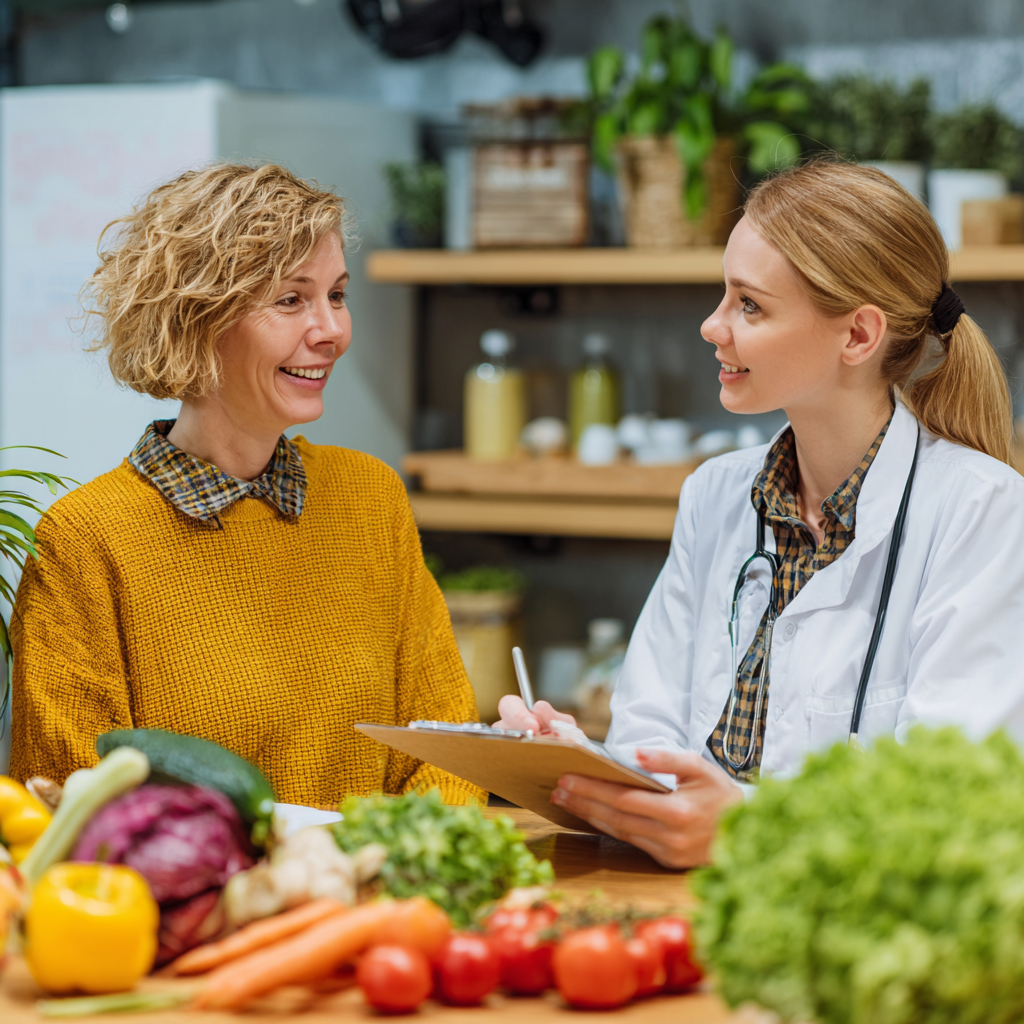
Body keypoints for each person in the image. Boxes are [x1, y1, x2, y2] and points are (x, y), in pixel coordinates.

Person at [497, 159, 1024, 867]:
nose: (714, 326)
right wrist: (584, 770)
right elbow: (648, 731)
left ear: (858, 337)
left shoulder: (981, 511)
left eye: (750, 305)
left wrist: (744, 825)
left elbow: (954, 800)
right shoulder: (716, 493)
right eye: (724, 296)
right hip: (682, 906)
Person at [10, 163, 484, 808]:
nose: (332, 331)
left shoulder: (371, 499)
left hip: (379, 900)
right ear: (197, 320)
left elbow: (446, 747)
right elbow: (69, 807)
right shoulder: (86, 541)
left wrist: (384, 875)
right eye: (291, 300)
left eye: (336, 295)